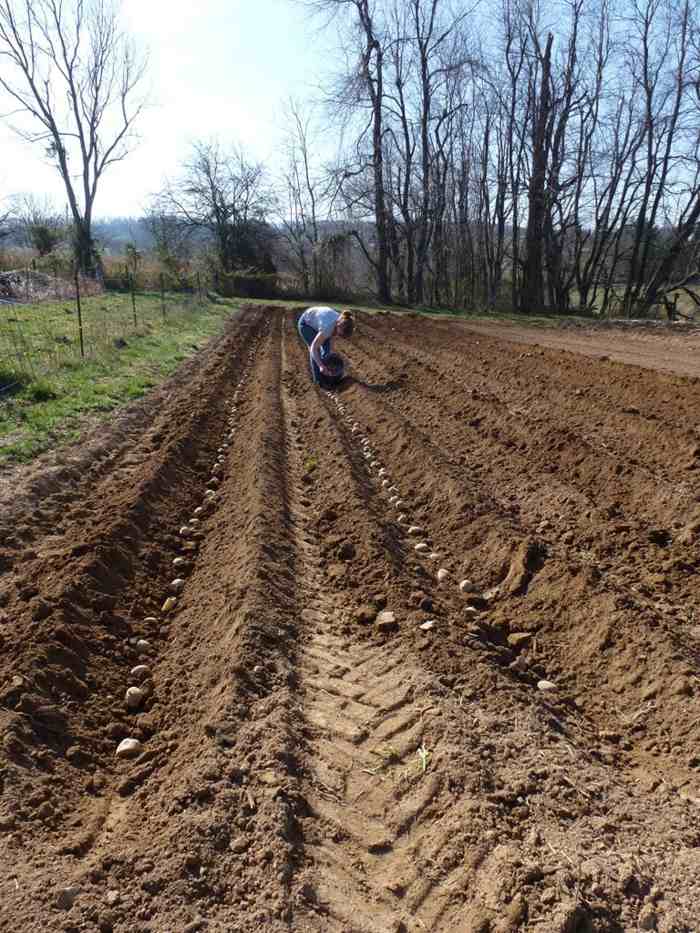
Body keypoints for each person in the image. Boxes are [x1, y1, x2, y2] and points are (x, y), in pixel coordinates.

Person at [297, 306, 354, 384]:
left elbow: (329, 336)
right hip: (306, 324)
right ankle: (319, 381)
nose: (338, 336)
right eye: (340, 334)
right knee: (316, 351)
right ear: (338, 326)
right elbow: (314, 348)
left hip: (320, 322)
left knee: (326, 351)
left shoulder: (342, 320)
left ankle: (327, 375)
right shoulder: (327, 327)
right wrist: (320, 365)